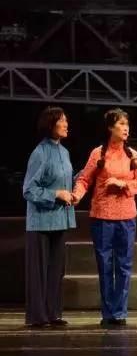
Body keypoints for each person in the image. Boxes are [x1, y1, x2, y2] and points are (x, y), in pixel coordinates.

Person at [72, 108, 137, 326]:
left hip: (126, 217)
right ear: (110, 128)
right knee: (105, 266)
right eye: (121, 124)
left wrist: (122, 183)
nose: (126, 128)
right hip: (102, 217)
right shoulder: (98, 153)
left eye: (127, 124)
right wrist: (76, 195)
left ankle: (120, 312)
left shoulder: (132, 155)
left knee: (124, 266)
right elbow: (84, 179)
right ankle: (108, 313)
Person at [23, 106, 76, 327]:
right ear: (50, 124)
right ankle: (37, 316)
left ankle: (53, 313)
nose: (66, 124)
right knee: (39, 272)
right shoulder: (40, 152)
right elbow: (29, 190)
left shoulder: (64, 152)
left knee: (56, 270)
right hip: (41, 221)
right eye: (61, 121)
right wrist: (56, 194)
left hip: (60, 219)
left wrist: (70, 194)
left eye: (66, 120)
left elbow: (63, 184)